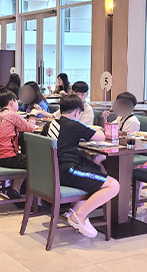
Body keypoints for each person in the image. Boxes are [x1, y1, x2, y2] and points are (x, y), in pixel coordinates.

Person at [47, 94, 120, 238]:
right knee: (113, 185)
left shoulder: (50, 124)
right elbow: (101, 136)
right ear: (77, 113)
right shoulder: (74, 125)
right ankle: (79, 216)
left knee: (94, 169)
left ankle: (73, 210)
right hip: (68, 171)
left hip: (53, 171)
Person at [0, 90, 39, 200]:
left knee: (26, 160)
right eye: (16, 101)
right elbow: (30, 128)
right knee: (36, 161)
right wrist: (33, 115)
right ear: (12, 102)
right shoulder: (13, 115)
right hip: (8, 157)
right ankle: (33, 196)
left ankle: (16, 189)